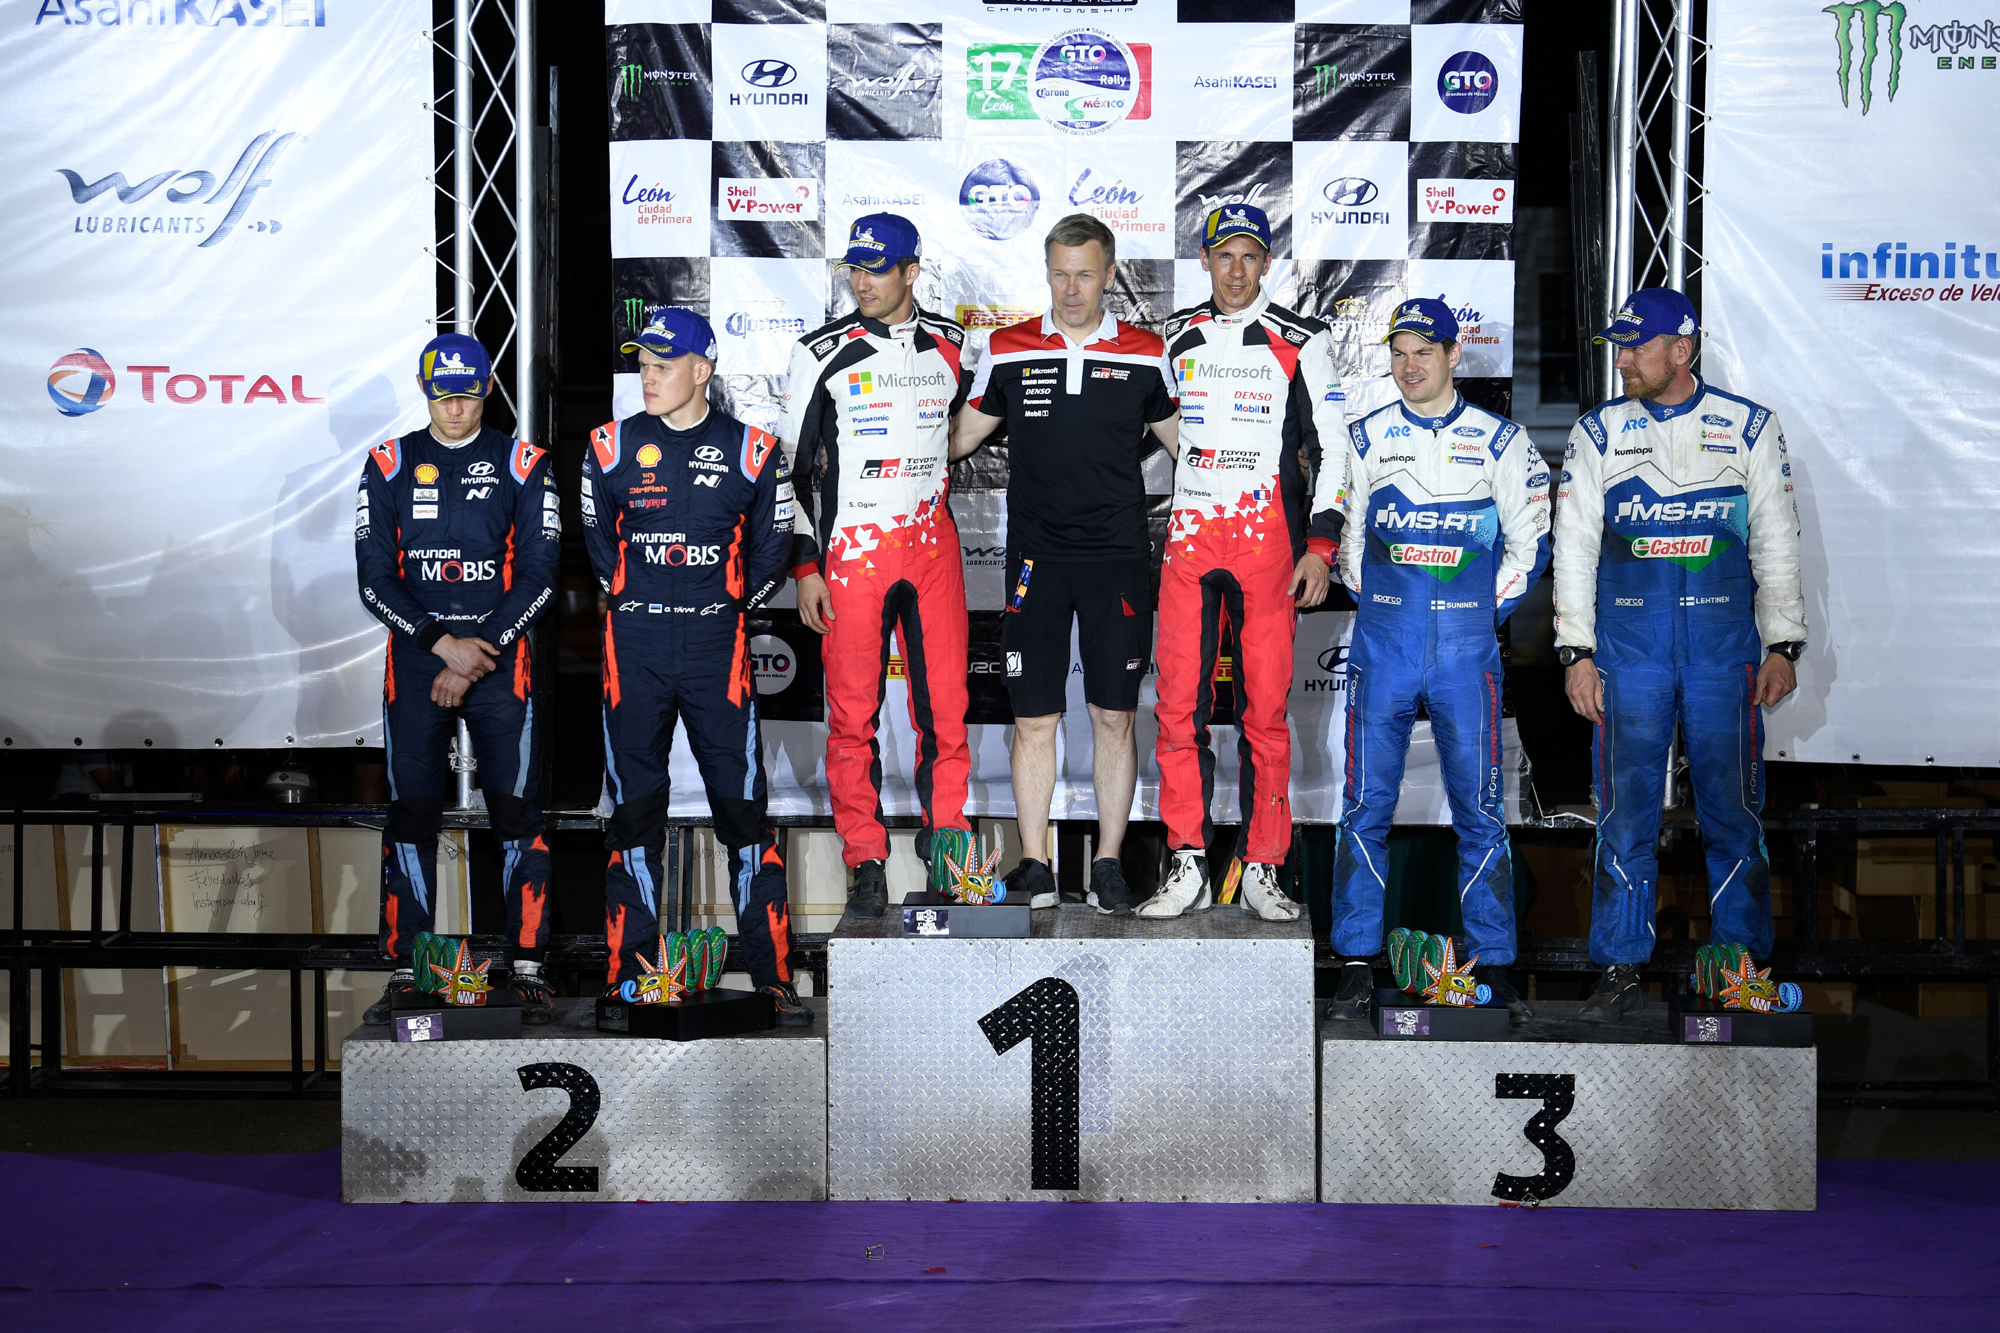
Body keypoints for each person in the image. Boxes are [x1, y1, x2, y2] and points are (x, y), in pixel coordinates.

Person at [1553, 287, 1805, 1022]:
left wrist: (1783, 642)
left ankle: (1741, 969)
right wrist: (1576, 652)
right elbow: (1573, 546)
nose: (1623, 361)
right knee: (1625, 815)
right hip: (1628, 654)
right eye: (1620, 348)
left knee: (1734, 815)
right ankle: (1619, 968)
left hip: (1724, 654)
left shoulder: (1748, 427)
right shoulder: (1598, 431)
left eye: (1636, 347)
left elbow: (1777, 539)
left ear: (1682, 350)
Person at [580, 308, 809, 1027]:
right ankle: (628, 980)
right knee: (634, 815)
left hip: (718, 649)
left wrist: (727, 603)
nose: (647, 376)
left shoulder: (754, 450)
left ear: (702, 370)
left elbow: (772, 550)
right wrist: (635, 599)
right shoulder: (609, 445)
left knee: (743, 813)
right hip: (636, 648)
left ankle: (773, 981)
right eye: (642, 365)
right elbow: (599, 546)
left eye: (663, 364)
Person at [1324, 299, 1551, 1025]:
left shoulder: (1502, 441)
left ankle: (1493, 959)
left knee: (1480, 808)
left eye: (1424, 351)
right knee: (1365, 805)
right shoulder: (1365, 436)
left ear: (1455, 355)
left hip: (1464, 649)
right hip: (1383, 644)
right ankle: (1356, 960)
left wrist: (1478, 613)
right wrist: (1384, 605)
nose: (1409, 365)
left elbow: (1531, 545)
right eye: (1399, 352)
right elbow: (1348, 545)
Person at [949, 214, 1179, 915]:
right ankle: (1036, 865)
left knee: (1114, 718)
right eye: (1059, 273)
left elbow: (1189, 448)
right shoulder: (1007, 346)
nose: (1071, 288)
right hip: (1035, 560)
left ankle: (1107, 863)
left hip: (1117, 560)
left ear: (1109, 275)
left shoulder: (1148, 352)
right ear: (1046, 272)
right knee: (1034, 721)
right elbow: (958, 439)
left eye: (1085, 274)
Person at [1140, 203, 1347, 921]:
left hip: (1268, 548)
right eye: (1223, 255)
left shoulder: (1302, 339)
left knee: (1266, 714)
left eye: (1249, 256)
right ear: (1203, 260)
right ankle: (1186, 861)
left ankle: (1264, 865)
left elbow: (1333, 448)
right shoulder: (1174, 338)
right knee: (1177, 710)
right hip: (1192, 546)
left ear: (1266, 262)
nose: (1236, 270)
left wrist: (1321, 545)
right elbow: (1150, 428)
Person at [355, 333, 559, 1024]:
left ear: (488, 389)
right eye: (442, 395)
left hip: (500, 659)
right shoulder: (388, 463)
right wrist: (446, 648)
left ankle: (527, 966)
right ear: (425, 391)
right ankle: (405, 966)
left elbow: (540, 575)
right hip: (418, 661)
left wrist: (478, 652)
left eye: (467, 395)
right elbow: (374, 580)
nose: (454, 408)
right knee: (411, 813)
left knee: (517, 813)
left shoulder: (524, 463)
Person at [778, 213, 976, 918]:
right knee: (852, 717)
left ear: (911, 272)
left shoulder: (953, 344)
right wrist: (805, 566)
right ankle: (865, 859)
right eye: (855, 269)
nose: (863, 282)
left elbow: (964, 433)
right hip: (853, 553)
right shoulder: (821, 352)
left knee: (946, 713)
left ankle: (950, 855)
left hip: (932, 550)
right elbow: (789, 469)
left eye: (877, 269)